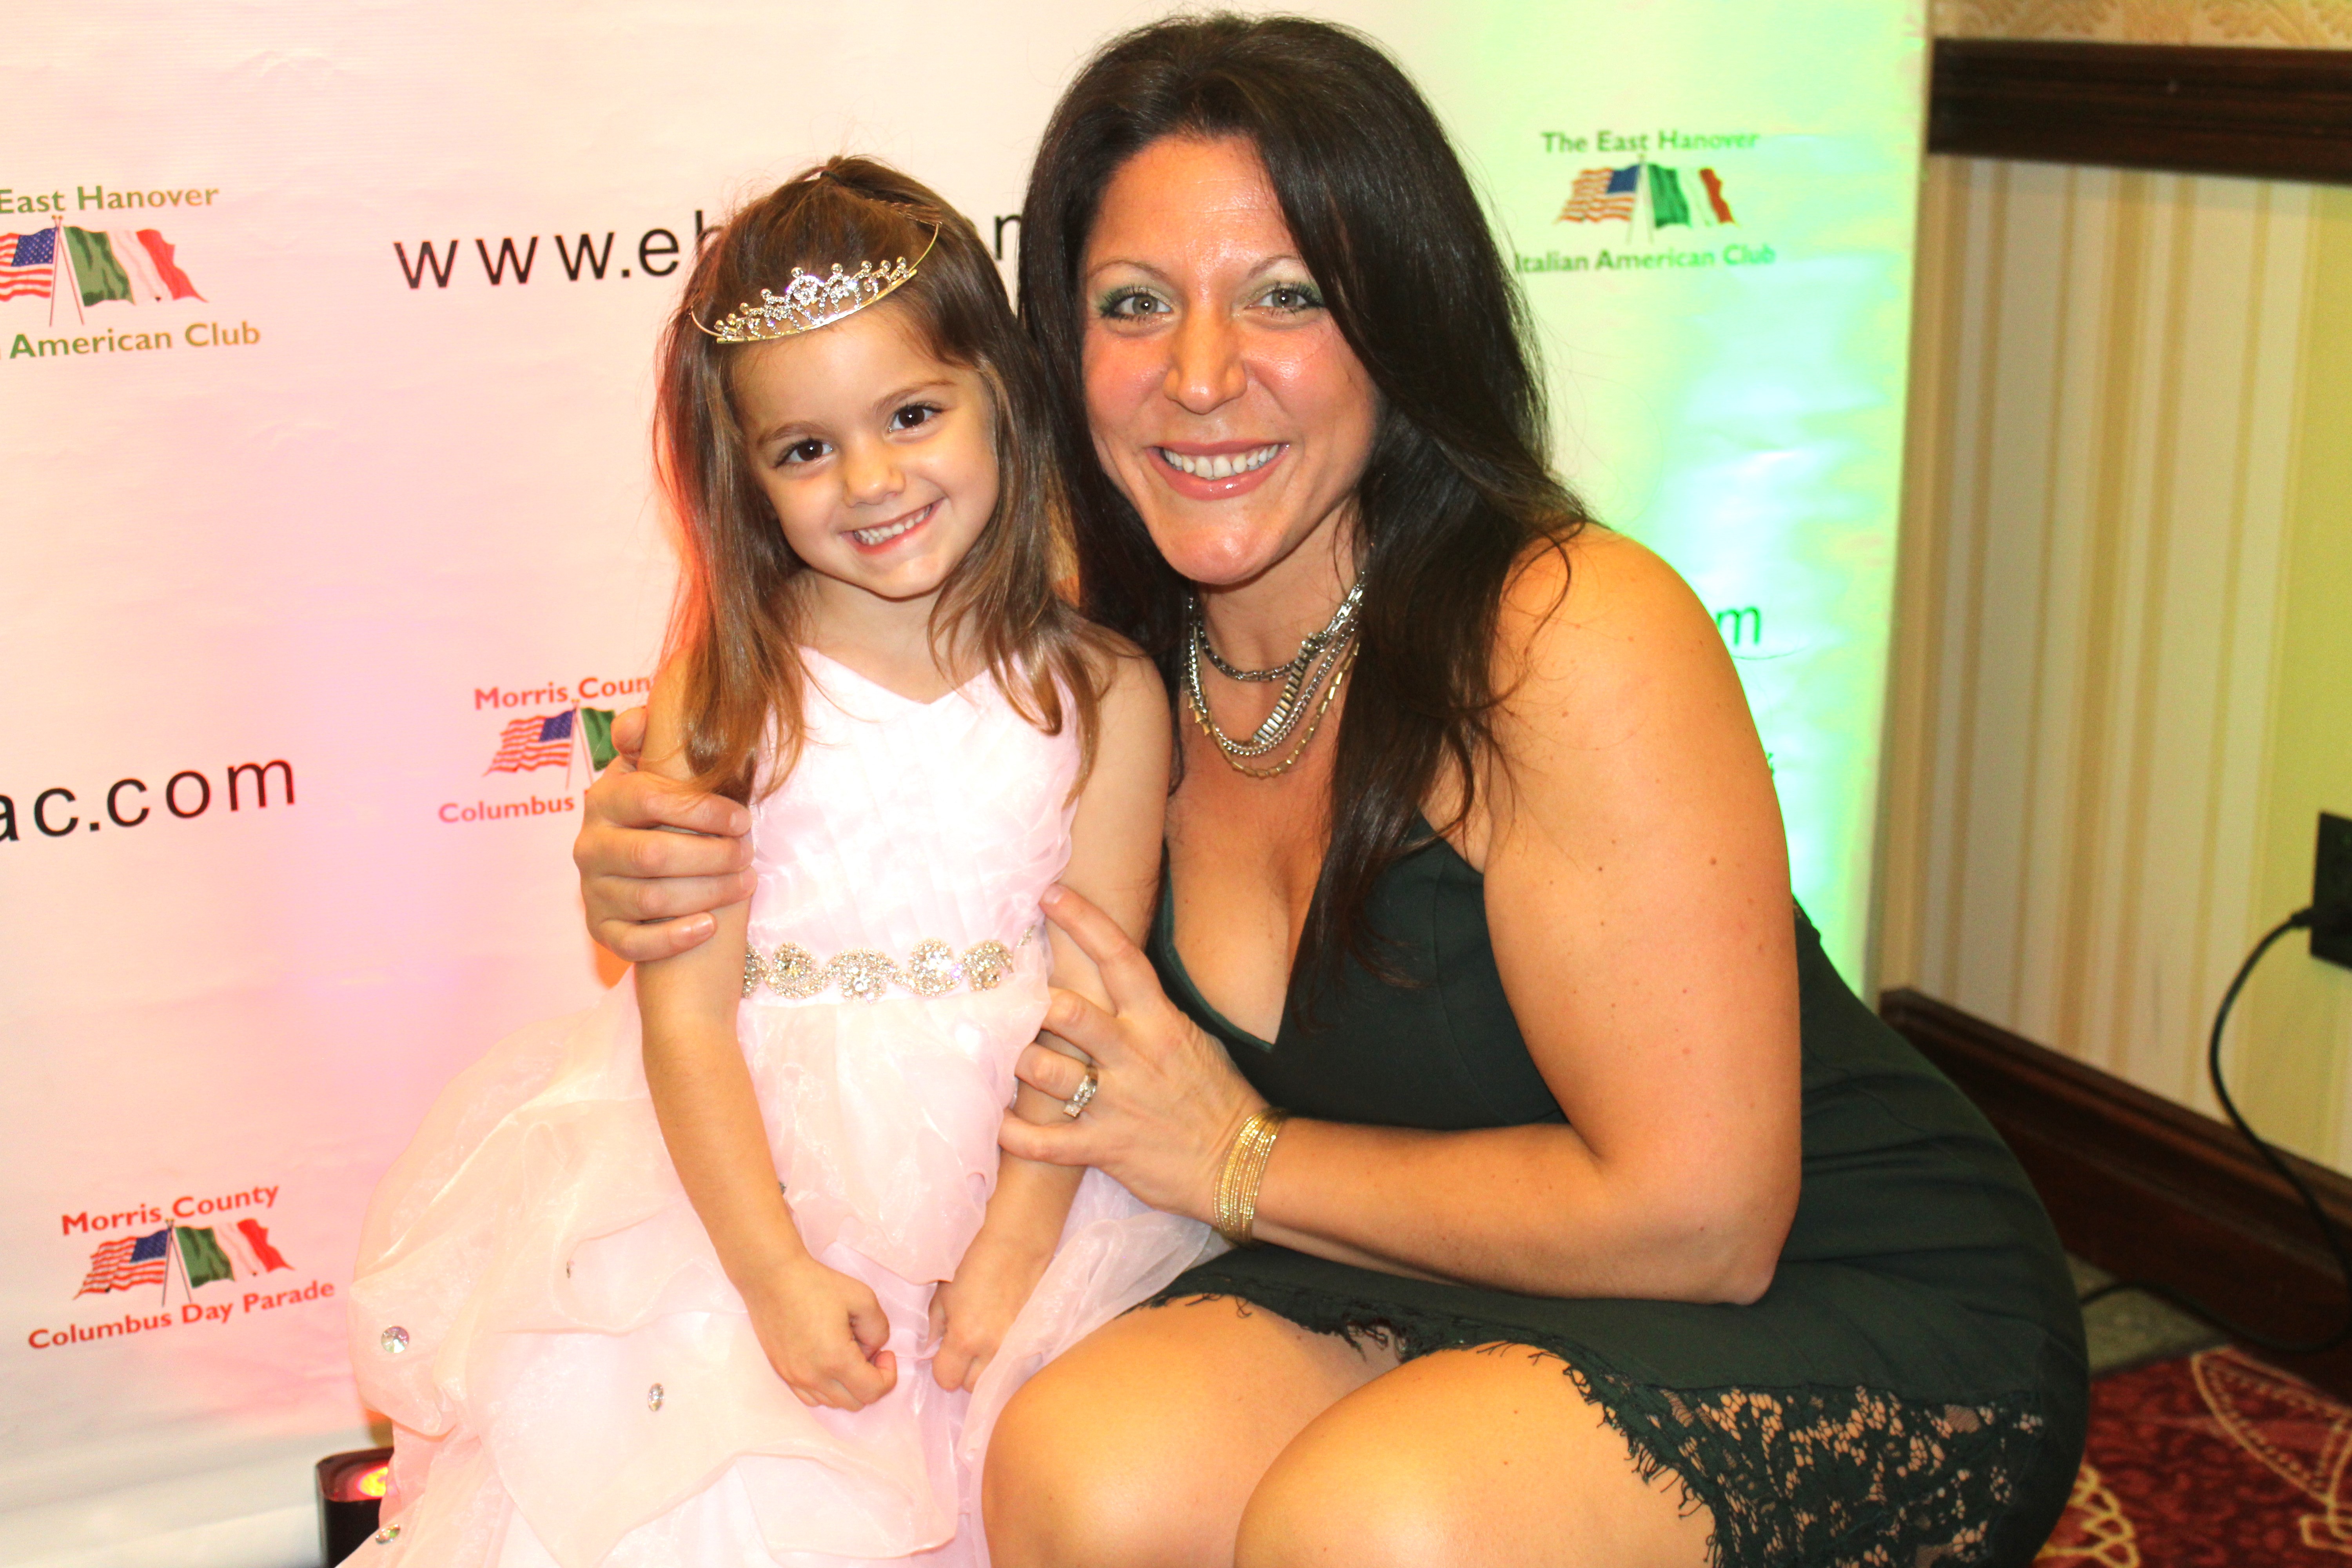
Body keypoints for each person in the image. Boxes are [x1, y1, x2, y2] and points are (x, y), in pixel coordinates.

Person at [574, 17, 2089, 1568]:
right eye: (1135, 304)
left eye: (1285, 295)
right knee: (1078, 1469)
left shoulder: (1565, 633)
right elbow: (847, 808)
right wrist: (653, 853)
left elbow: (1703, 1220)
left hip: (1810, 1290)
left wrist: (1236, 1158)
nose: (1200, 376)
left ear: (1401, 317)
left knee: (1371, 1528)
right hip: (1389, 1271)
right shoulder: (1099, 662)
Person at [347, 160, 1213, 1568]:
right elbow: (686, 1027)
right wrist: (770, 1276)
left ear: (1003, 396)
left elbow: (1091, 1006)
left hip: (1034, 1185)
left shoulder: (1106, 694)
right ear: (743, 477)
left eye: (914, 415)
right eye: (805, 449)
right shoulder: (724, 699)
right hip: (748, 1203)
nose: (872, 482)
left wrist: (1016, 1244)